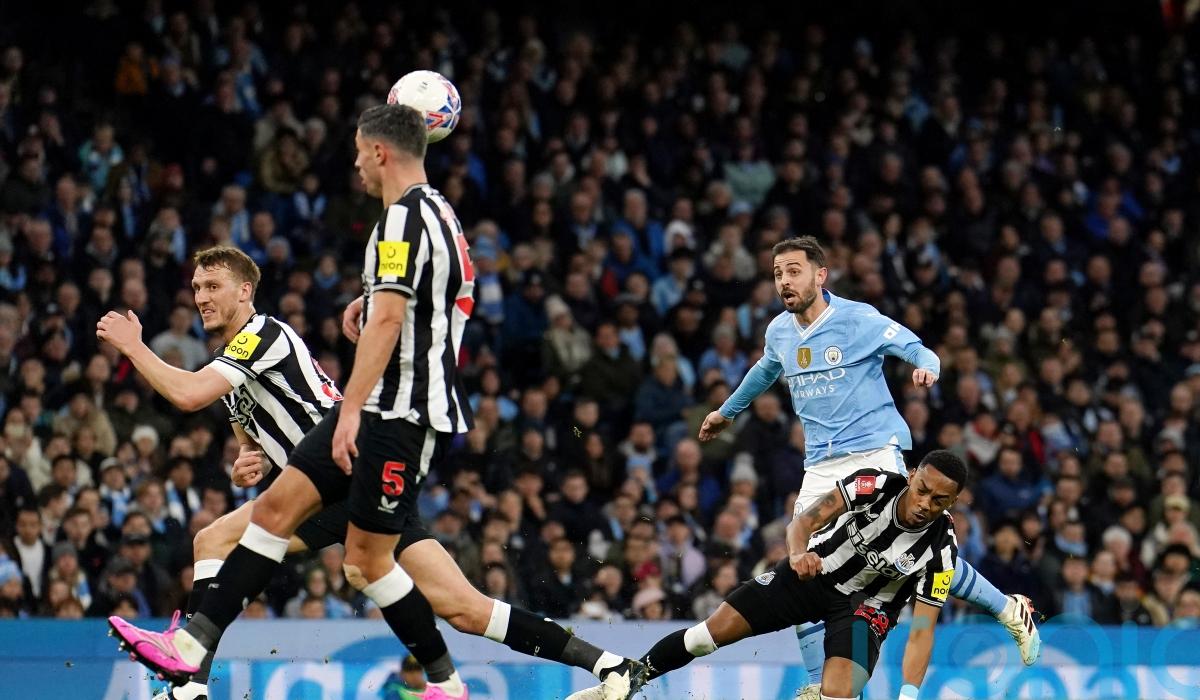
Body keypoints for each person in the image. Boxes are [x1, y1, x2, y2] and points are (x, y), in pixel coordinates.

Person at [106, 105, 642, 700]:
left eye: (212, 286)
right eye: (196, 288)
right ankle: (606, 665)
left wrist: (134, 347)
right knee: (459, 606)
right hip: (358, 456)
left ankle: (189, 677)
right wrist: (247, 458)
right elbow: (250, 434)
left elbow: (187, 394)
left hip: (350, 454)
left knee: (237, 534)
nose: (201, 296)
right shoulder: (242, 352)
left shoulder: (263, 334)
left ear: (245, 291)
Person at [697, 237, 1040, 697]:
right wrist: (727, 412)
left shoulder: (858, 319)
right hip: (821, 463)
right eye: (778, 273)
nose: (784, 281)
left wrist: (926, 369)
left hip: (874, 451)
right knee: (802, 566)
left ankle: (1005, 608)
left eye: (794, 270)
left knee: (913, 553)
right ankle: (819, 686)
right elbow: (765, 369)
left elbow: (919, 349)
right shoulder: (779, 330)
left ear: (820, 275)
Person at [572, 451, 968, 700]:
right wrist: (797, 553)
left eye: (939, 500)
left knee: (839, 694)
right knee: (706, 636)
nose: (924, 503)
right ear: (912, 475)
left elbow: (922, 631)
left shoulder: (942, 551)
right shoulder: (874, 485)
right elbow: (805, 522)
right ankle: (628, 680)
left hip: (864, 611)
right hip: (812, 575)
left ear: (953, 501)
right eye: (921, 489)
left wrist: (909, 695)